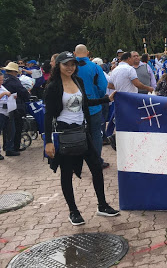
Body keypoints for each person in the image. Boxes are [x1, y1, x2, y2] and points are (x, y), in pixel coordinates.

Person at [44, 52, 119, 226]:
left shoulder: (79, 81)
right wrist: (48, 141)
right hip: (65, 135)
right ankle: (74, 211)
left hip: (82, 132)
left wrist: (105, 99)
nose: (70, 67)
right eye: (66, 64)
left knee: (96, 168)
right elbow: (48, 116)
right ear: (59, 66)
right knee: (67, 173)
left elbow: (84, 103)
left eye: (73, 64)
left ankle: (102, 205)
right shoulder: (53, 86)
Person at [75, 45, 109, 168]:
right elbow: (102, 86)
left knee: (76, 135)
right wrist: (97, 97)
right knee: (96, 134)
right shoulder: (95, 68)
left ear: (74, 53)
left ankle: (76, 164)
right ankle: (96, 161)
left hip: (75, 108)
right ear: (88, 53)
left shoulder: (70, 67)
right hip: (94, 106)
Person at [2, 62, 31, 155]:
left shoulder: (4, 79)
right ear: (14, 72)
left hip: (4, 108)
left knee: (7, 129)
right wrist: (28, 94)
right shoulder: (14, 81)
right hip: (15, 107)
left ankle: (6, 146)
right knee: (16, 127)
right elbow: (22, 92)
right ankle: (14, 147)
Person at [0, 73, 13, 160]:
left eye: (2, 80)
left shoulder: (2, 87)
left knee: (7, 131)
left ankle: (7, 148)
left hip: (5, 112)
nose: (1, 82)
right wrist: (4, 93)